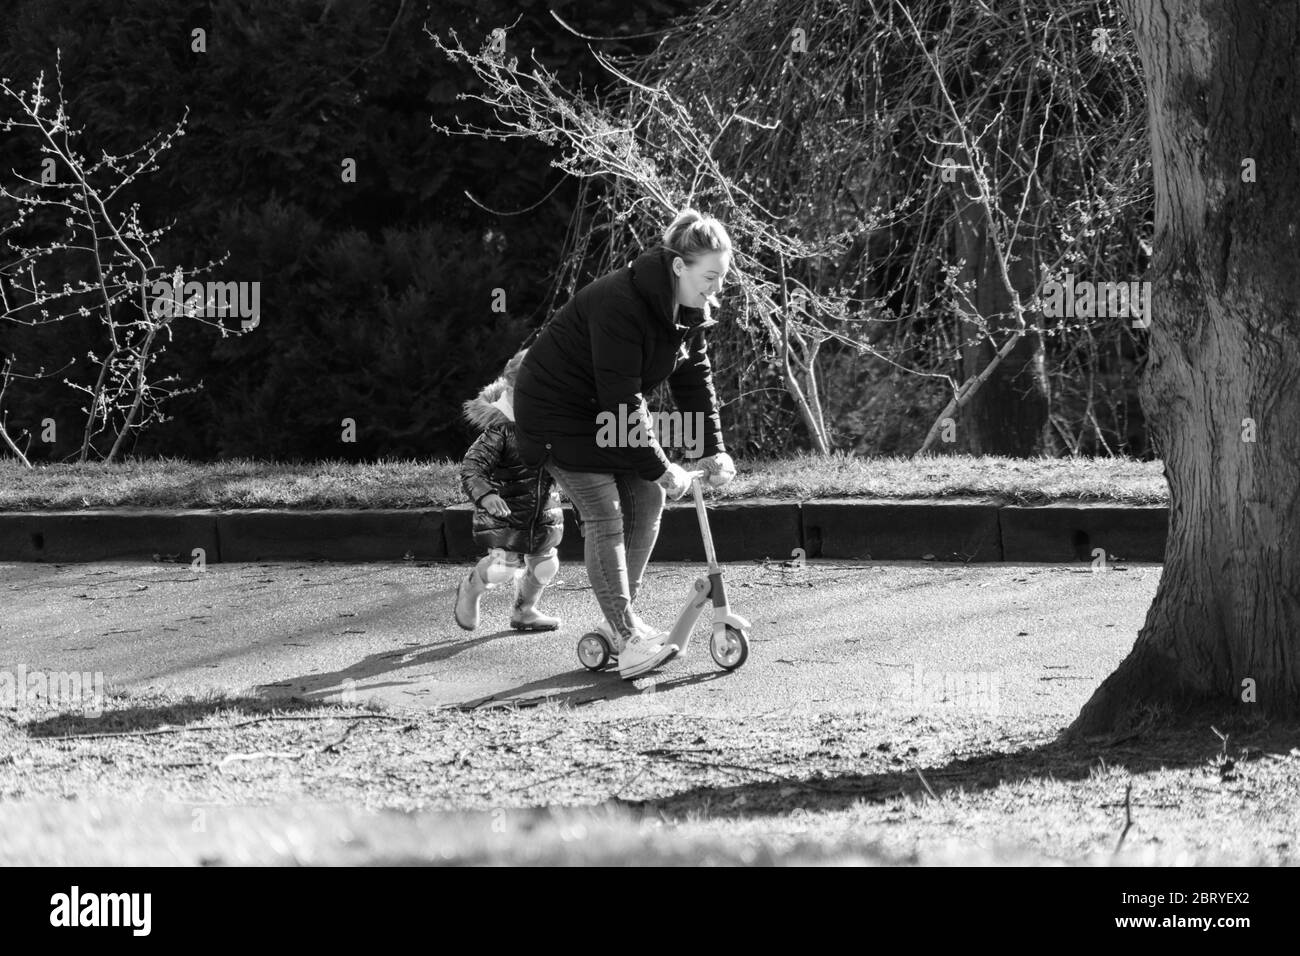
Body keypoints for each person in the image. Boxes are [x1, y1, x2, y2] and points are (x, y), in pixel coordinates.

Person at [513, 208, 737, 680]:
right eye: (711, 276)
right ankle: (628, 634)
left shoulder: (688, 309)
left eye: (722, 277)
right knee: (605, 512)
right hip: (557, 415)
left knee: (648, 496)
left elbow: (694, 379)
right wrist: (660, 464)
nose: (717, 287)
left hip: (601, 415)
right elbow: (623, 398)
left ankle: (621, 625)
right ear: (679, 267)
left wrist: (711, 448)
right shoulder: (622, 302)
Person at [454, 349, 565, 632]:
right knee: (502, 568)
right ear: (512, 389)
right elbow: (472, 466)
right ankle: (470, 588)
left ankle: (524, 611)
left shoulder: (552, 423)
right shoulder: (501, 429)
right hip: (506, 517)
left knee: (545, 565)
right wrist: (487, 495)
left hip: (542, 515)